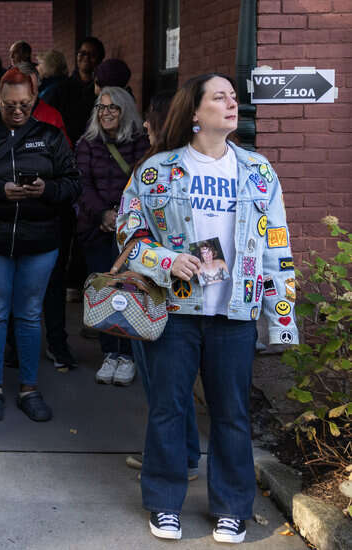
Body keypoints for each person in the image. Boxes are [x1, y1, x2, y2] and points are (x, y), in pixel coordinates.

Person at [115, 73, 298, 544]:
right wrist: (167, 259)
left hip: (234, 314)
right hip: (175, 311)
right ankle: (163, 502)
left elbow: (278, 245)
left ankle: (232, 509)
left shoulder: (258, 172)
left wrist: (280, 316)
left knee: (232, 414)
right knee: (168, 410)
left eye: (234, 97)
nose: (232, 104)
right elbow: (128, 235)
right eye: (220, 97)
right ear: (195, 113)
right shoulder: (157, 171)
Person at [0, 67, 81, 423]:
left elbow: (72, 183)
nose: (18, 111)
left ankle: (29, 388)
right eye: (10, 105)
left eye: (24, 104)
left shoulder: (51, 136)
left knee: (28, 314)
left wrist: (47, 190)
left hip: (39, 240)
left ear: (35, 100)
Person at [124, 89, 202, 485]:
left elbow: (132, 235)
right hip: (196, 291)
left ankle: (174, 458)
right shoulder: (203, 167)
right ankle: (183, 454)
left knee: (161, 385)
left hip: (154, 290)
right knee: (176, 386)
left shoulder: (154, 169)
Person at [74, 87, 149, 385]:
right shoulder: (86, 144)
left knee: (131, 290)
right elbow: (81, 184)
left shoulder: (141, 144)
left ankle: (128, 354)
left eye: (113, 108)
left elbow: (144, 184)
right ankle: (109, 353)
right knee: (104, 291)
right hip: (97, 227)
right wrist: (103, 215)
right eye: (101, 108)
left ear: (125, 110)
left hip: (131, 230)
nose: (105, 113)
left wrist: (122, 218)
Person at [60, 36, 104, 146]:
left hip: (97, 148)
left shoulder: (104, 89)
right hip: (68, 147)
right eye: (82, 53)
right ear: (77, 55)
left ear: (100, 59)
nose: (86, 57)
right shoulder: (62, 87)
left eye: (92, 54)